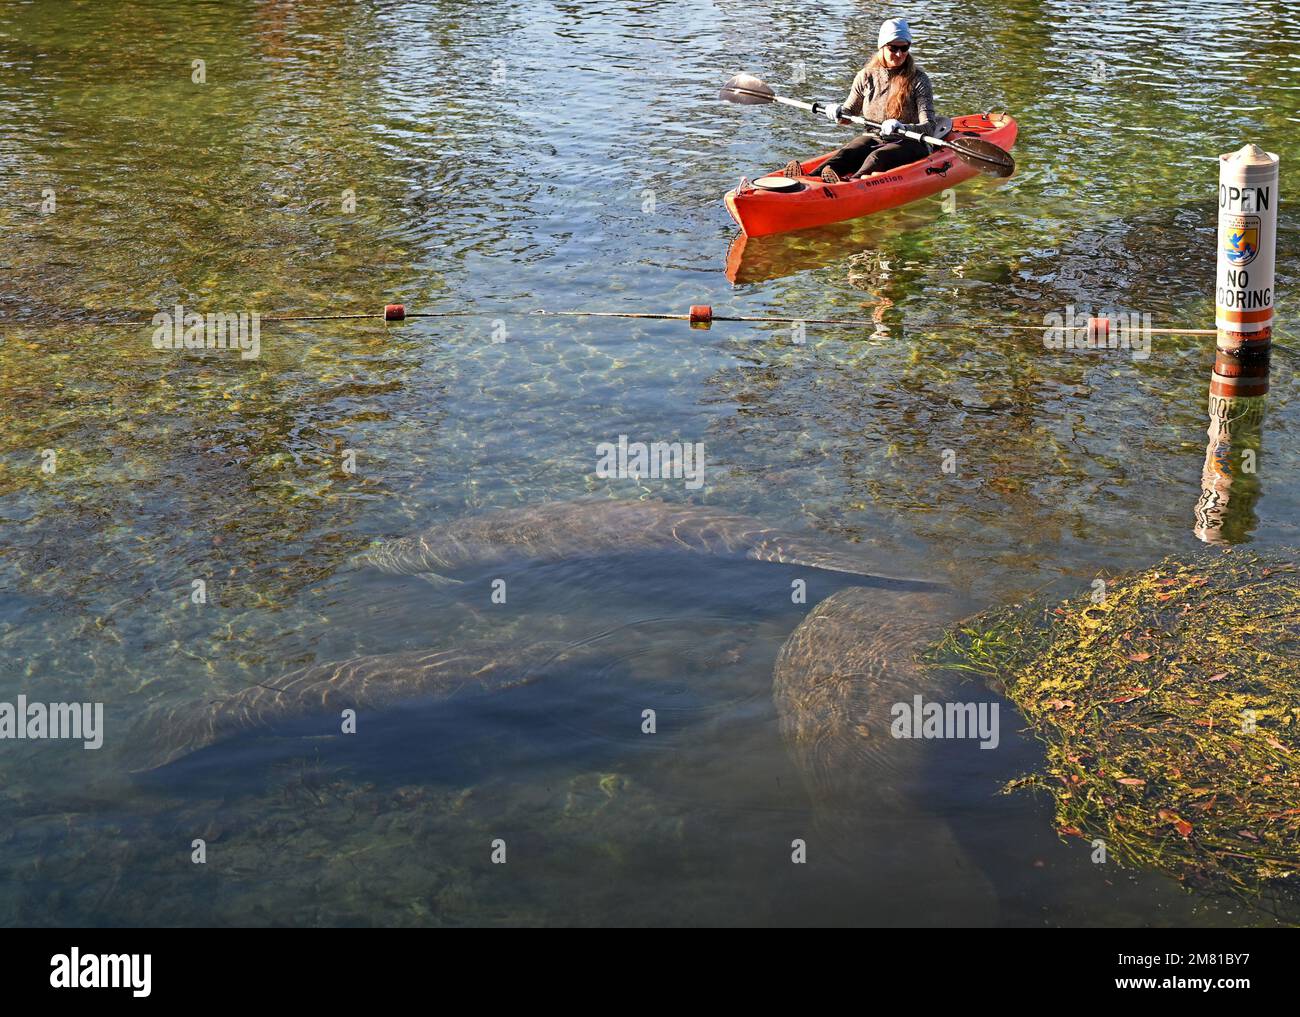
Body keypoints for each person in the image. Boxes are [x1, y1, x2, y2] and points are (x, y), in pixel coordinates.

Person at [787, 18, 947, 184]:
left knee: (877, 157)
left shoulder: (919, 80)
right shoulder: (866, 76)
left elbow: (929, 127)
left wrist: (902, 127)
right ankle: (807, 180)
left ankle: (848, 185)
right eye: (893, 48)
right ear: (882, 47)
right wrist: (837, 112)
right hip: (875, 137)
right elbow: (848, 114)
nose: (899, 54)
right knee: (847, 152)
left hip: (912, 142)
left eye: (904, 48)